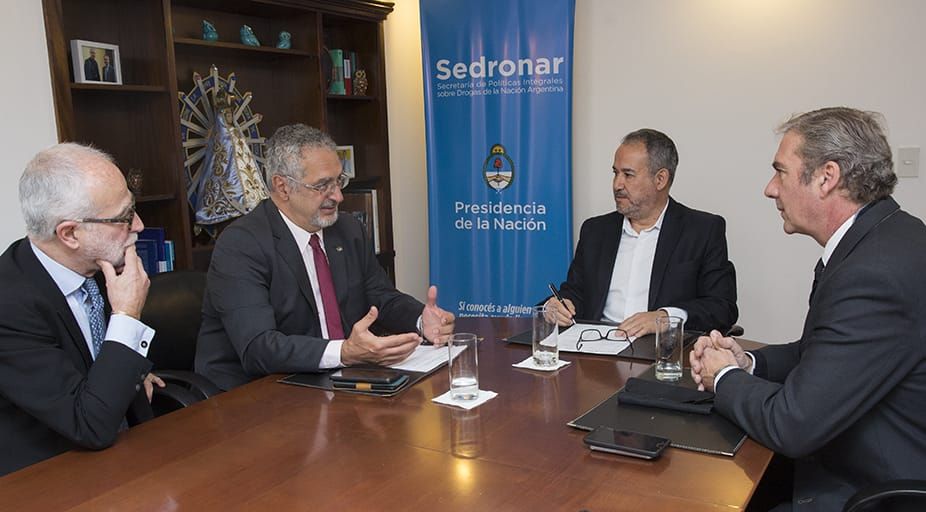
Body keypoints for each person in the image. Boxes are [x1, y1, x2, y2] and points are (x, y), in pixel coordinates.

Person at [690, 107, 926, 511]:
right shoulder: (887, 236)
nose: (770, 189)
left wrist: (723, 377)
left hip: (865, 490)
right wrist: (748, 363)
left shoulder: (873, 274)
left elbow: (792, 424)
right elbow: (822, 351)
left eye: (780, 172)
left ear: (826, 177)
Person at [196, 124, 455, 391]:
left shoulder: (347, 230)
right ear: (282, 187)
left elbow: (380, 296)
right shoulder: (241, 244)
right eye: (322, 185)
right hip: (256, 392)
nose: (338, 196)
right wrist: (344, 352)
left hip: (332, 381)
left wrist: (421, 320)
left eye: (339, 181)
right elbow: (259, 348)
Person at [0, 143, 163, 476]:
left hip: (127, 453)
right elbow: (89, 425)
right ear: (70, 234)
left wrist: (133, 370)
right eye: (124, 218)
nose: (139, 225)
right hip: (52, 476)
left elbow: (92, 361)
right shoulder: (8, 304)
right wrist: (126, 317)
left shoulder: (97, 265)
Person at [545, 128, 738, 336]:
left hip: (660, 349)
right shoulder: (595, 230)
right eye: (615, 173)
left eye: (628, 175)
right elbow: (576, 292)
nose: (617, 184)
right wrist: (558, 305)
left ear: (660, 179)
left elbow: (722, 307)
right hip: (596, 345)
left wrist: (667, 317)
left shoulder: (702, 230)